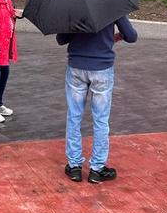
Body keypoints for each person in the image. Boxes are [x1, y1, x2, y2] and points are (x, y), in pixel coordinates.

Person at [57, 16, 137, 184]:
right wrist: (114, 37)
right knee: (101, 119)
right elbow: (131, 36)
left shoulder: (74, 7)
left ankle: (74, 166)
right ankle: (97, 168)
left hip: (76, 67)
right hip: (102, 68)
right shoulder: (112, 6)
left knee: (74, 117)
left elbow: (61, 39)